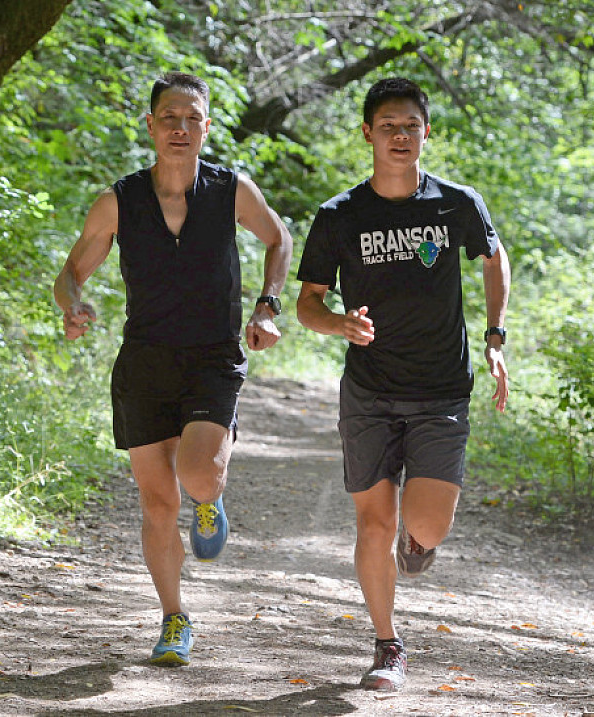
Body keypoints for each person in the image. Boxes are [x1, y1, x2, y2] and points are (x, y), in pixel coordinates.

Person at [53, 71, 292, 666]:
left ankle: (210, 500)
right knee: (158, 505)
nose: (180, 128)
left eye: (191, 119)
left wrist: (267, 305)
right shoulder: (119, 201)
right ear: (151, 125)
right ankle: (174, 617)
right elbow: (71, 272)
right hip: (144, 363)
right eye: (169, 117)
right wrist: (72, 306)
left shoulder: (231, 190)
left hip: (213, 357)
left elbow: (279, 238)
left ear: (206, 127)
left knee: (199, 475)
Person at [295, 77, 510, 691]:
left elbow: (495, 259)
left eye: (411, 125)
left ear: (426, 133)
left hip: (441, 390)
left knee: (429, 526)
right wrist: (338, 323)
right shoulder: (339, 216)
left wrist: (495, 337)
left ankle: (419, 540)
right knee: (373, 524)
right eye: (388, 125)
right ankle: (387, 646)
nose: (399, 136)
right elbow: (308, 303)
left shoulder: (456, 204)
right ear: (368, 133)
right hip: (369, 391)